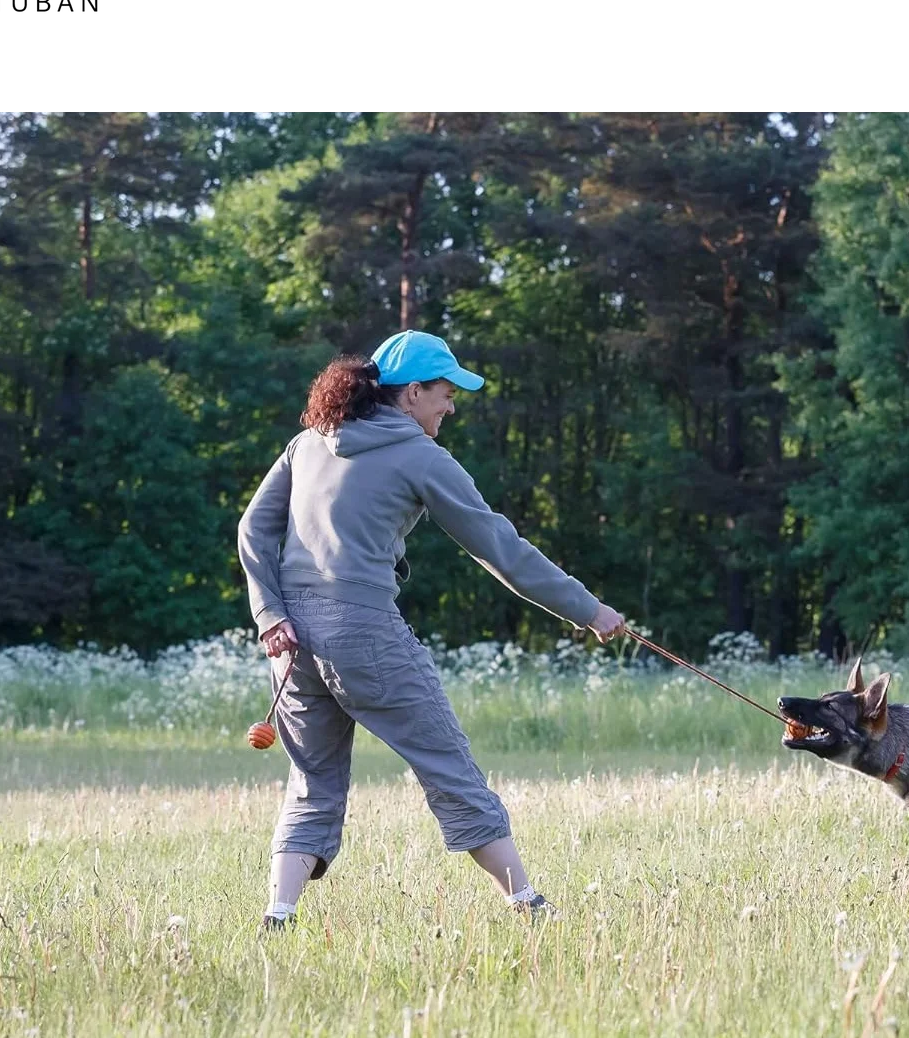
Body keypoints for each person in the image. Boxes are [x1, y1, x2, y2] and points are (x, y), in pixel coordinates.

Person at [237, 329, 627, 931]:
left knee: (312, 779)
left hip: (291, 645)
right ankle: (527, 903)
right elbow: (499, 546)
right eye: (446, 392)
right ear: (412, 392)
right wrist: (588, 610)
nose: (452, 405)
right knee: (446, 763)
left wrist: (271, 616)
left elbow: (252, 530)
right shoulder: (420, 455)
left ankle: (278, 914)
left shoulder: (309, 442)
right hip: (362, 629)